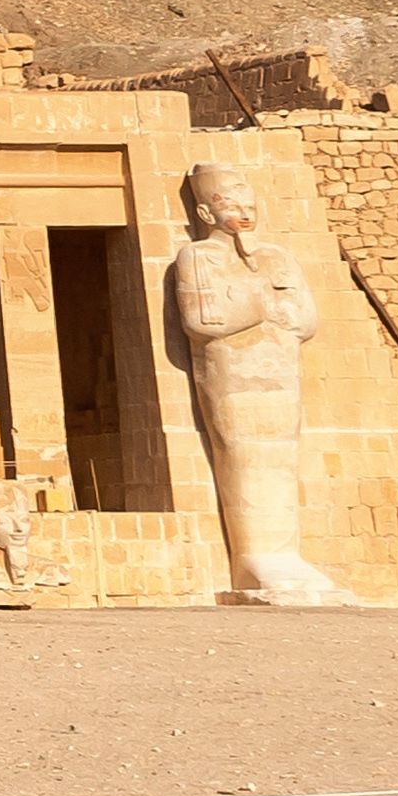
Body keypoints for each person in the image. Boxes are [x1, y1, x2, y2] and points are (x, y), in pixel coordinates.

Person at [166, 160, 347, 605]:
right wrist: (263, 302)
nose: (245, 214)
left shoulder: (276, 257)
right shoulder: (197, 257)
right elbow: (204, 321)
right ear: (207, 214)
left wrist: (263, 303)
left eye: (250, 205)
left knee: (282, 457)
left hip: (280, 366)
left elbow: (305, 320)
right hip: (231, 371)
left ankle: (287, 554)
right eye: (232, 205)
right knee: (243, 454)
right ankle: (254, 557)